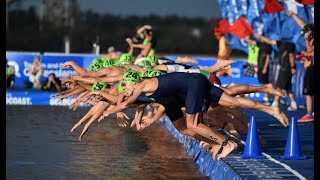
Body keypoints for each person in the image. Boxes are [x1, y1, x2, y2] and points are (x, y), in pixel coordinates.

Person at [97, 72, 288, 159]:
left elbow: (124, 103)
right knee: (232, 101)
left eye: (126, 86)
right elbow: (130, 104)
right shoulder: (145, 90)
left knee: (193, 124)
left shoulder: (140, 85)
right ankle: (272, 110)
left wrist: (106, 112)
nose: (126, 89)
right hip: (195, 81)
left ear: (132, 83)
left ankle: (225, 143)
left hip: (193, 85)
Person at [255, 33, 297, 111]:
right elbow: (270, 41)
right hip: (284, 68)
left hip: (286, 68)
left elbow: (291, 56)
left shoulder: (288, 44)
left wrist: (292, 67)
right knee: (288, 88)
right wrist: (261, 37)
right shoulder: (281, 44)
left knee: (279, 86)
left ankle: (275, 103)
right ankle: (293, 103)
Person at [286, 10, 314, 122]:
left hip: (312, 68)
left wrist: (306, 42)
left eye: (305, 34)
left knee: (308, 92)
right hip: (310, 67)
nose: (304, 36)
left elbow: (311, 51)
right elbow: (303, 25)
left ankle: (309, 114)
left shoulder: (310, 39)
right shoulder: (309, 32)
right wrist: (293, 15)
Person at [244, 36, 273, 105]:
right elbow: (253, 42)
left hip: (263, 66)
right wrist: (245, 38)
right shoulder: (260, 44)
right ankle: (265, 98)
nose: (261, 38)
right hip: (260, 66)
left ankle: (267, 98)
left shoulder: (268, 46)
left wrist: (265, 67)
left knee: (265, 82)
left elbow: (268, 57)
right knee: (263, 82)